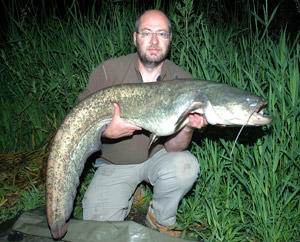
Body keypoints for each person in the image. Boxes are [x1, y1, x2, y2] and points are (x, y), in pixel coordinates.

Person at [79, 9, 208, 237]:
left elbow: (174, 148)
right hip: (114, 164)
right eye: (147, 33)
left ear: (170, 39)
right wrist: (107, 132)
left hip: (157, 158)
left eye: (162, 33)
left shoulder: (183, 81)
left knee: (185, 167)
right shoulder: (108, 72)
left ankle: (160, 217)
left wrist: (187, 126)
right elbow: (81, 127)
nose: (155, 41)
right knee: (98, 229)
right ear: (135, 37)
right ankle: (129, 190)